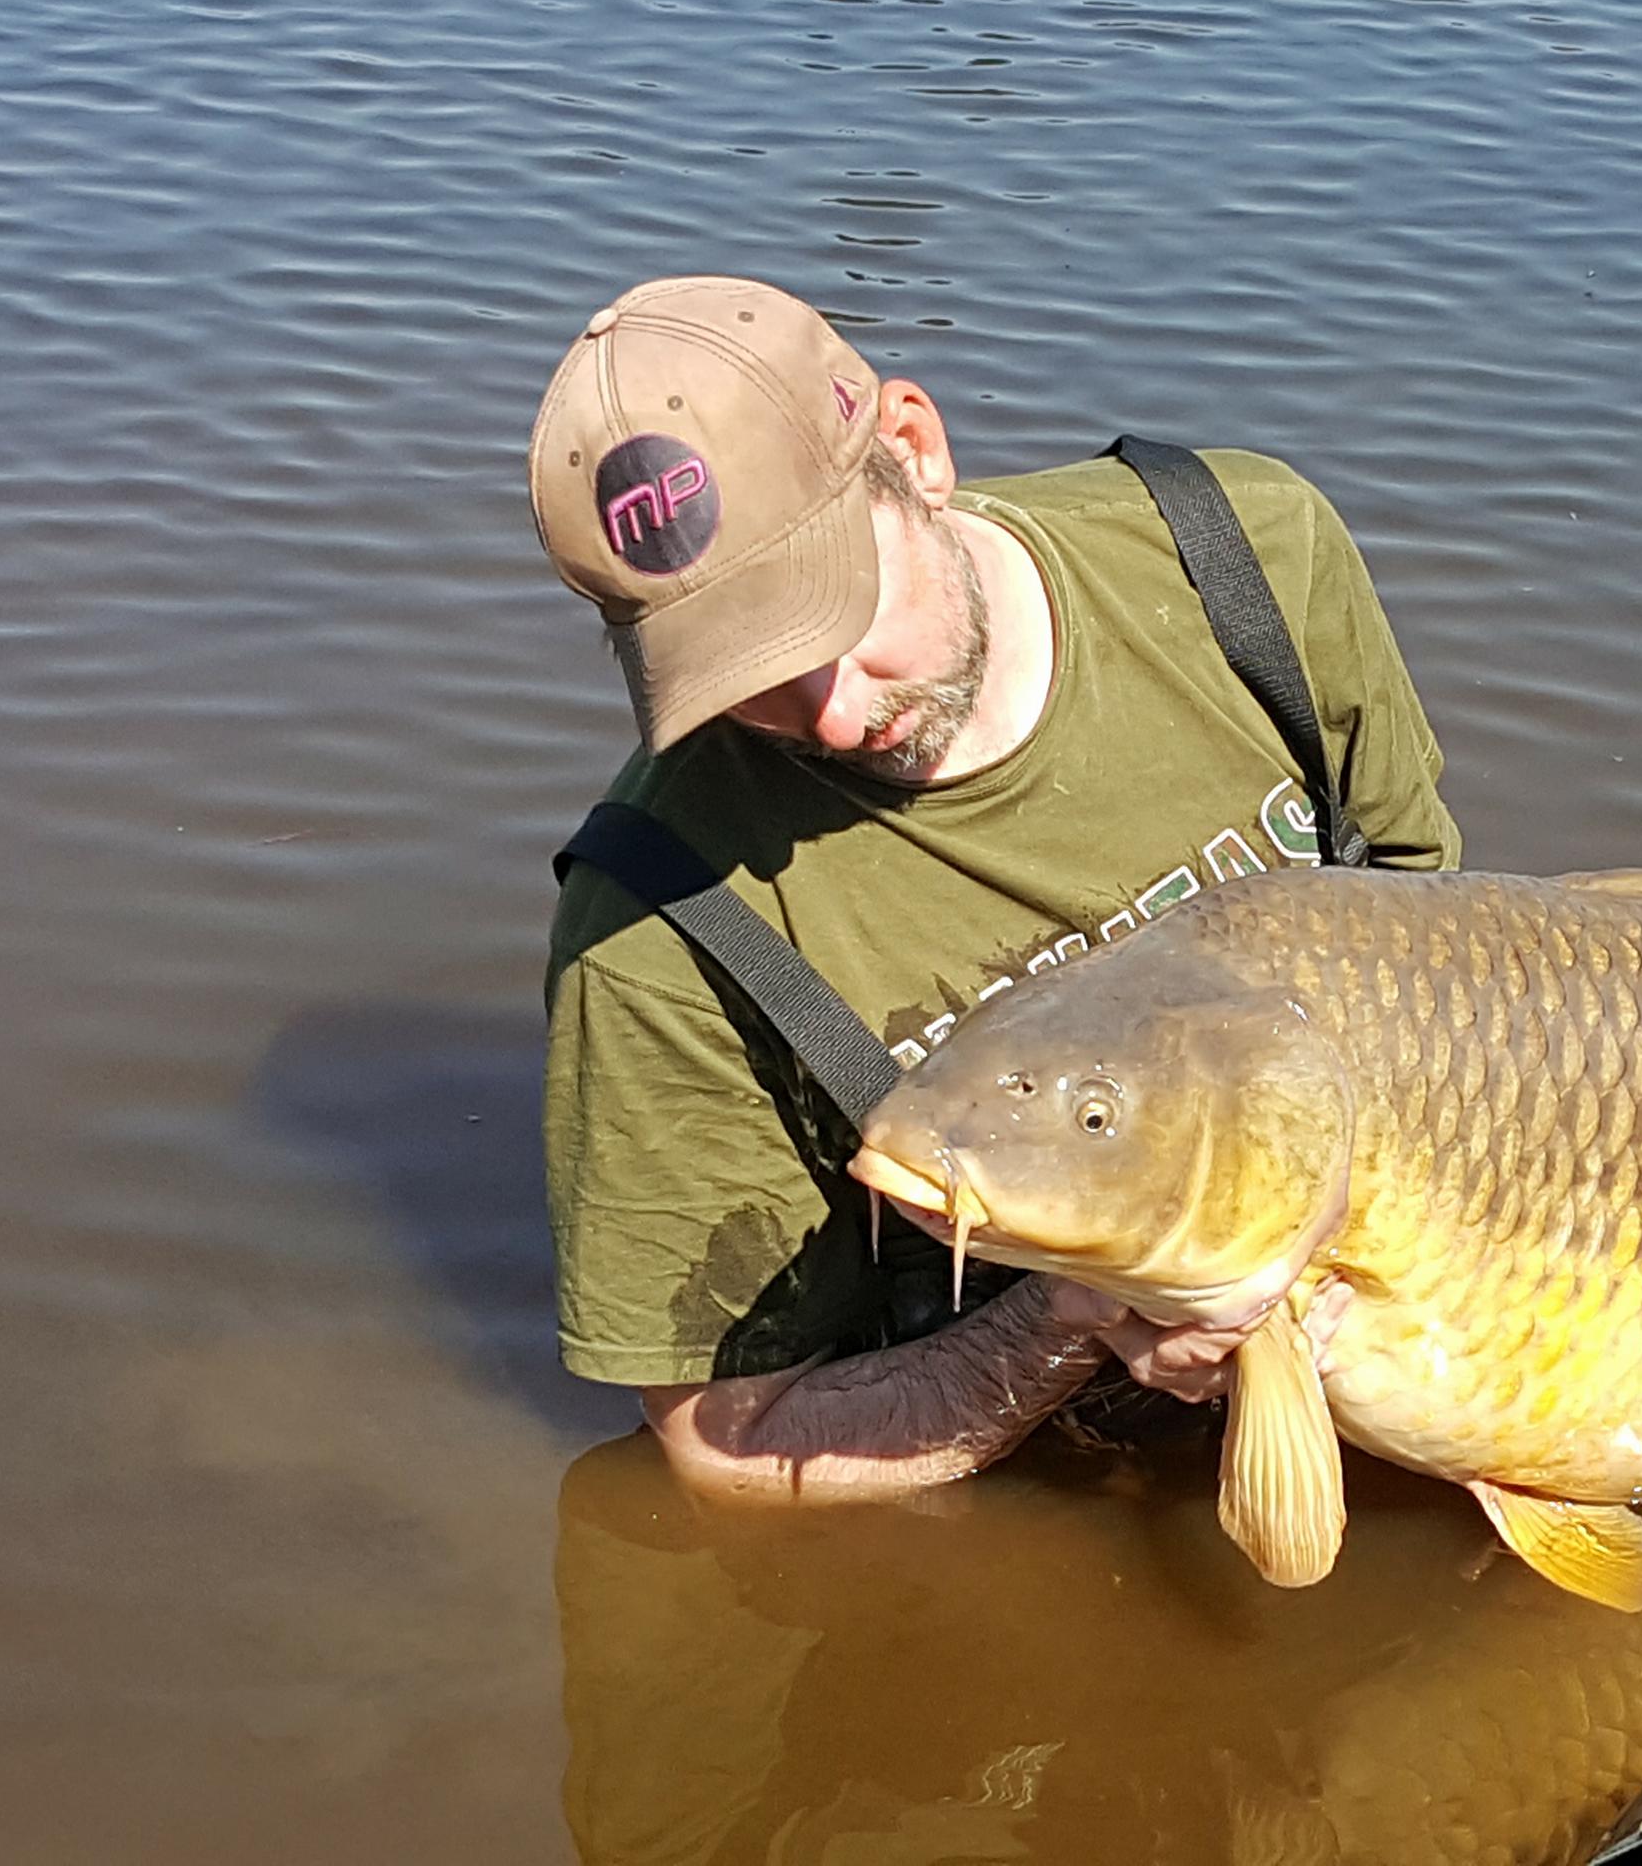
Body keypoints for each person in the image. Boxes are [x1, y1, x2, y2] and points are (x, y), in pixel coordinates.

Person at [528, 274, 1462, 1509]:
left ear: (912, 452)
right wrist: (1076, 1317)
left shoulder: (1249, 558)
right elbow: (725, 1445)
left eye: (838, 616)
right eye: (741, 678)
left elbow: (1449, 961)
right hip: (1038, 1471)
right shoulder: (652, 929)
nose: (833, 714)